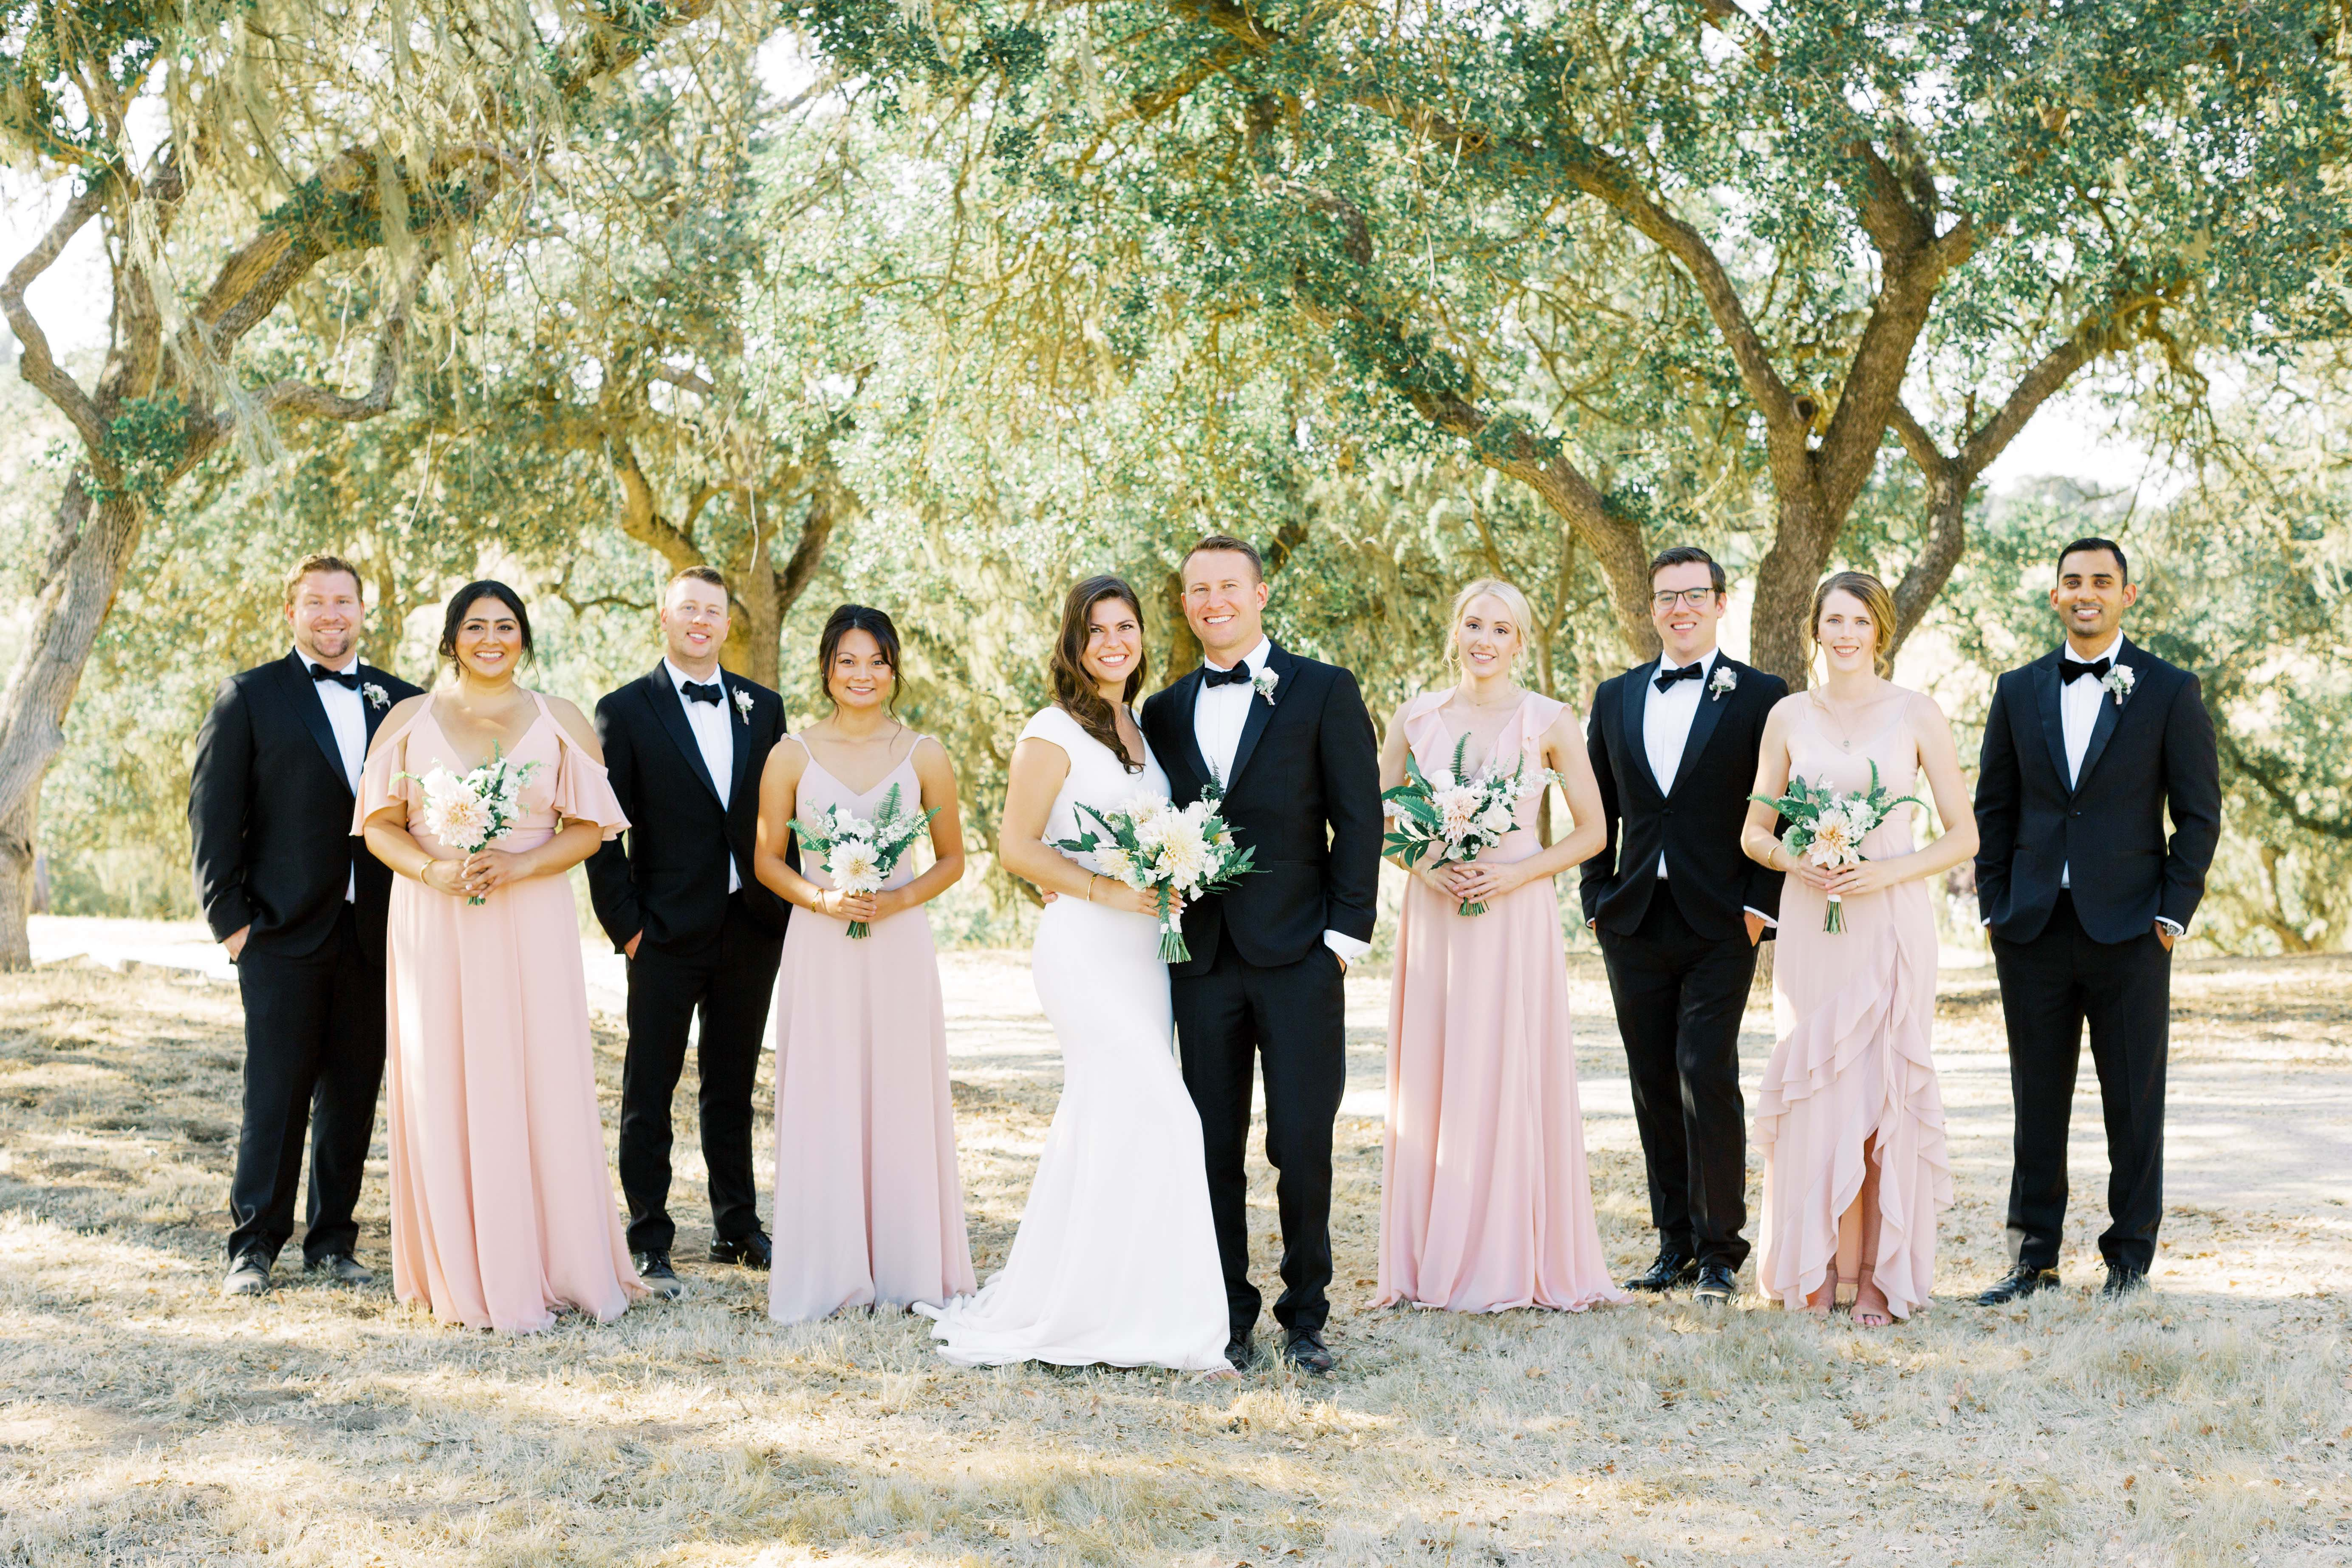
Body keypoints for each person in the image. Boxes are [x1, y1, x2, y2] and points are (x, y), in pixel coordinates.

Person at [919, 577, 1230, 1370]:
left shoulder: (1141, 726)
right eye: (1097, 631)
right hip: (1085, 948)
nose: (1114, 641)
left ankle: (1119, 1303)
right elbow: (1016, 846)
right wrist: (1109, 890)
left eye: (1126, 626)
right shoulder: (1050, 731)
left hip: (1143, 955)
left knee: (1115, 1121)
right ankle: (1107, 1313)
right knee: (1166, 1113)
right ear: (1074, 642)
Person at [355, 582, 643, 1333]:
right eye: (475, 626)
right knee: (445, 1076)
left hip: (531, 915)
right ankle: (458, 1265)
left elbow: (591, 829)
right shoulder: (408, 720)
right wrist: (432, 870)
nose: (492, 638)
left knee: (538, 1073)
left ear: (525, 637)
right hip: (435, 918)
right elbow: (381, 827)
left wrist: (524, 864)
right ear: (451, 638)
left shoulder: (562, 720)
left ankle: (555, 1259)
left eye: (506, 626)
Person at [1139, 535, 1382, 1374]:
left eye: (1227, 586)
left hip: (1300, 957)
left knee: (1300, 1140)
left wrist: (1342, 941)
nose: (1212, 600)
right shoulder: (1162, 711)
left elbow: (1359, 819)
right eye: (1196, 588)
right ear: (1184, 603)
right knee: (1209, 1144)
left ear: (1260, 592)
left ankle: (1305, 1315)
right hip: (1199, 961)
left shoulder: (1322, 689)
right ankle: (1225, 1312)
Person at [1971, 538, 2220, 1304]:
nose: (2087, 593)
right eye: (2073, 582)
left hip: (2133, 932)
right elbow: (1994, 807)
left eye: (2102, 582)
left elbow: (2200, 816)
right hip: (2034, 928)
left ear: (2127, 596)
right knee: (2035, 1098)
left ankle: (2128, 1260)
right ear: (2055, 597)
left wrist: (2171, 916)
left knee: (2133, 1103)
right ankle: (2031, 1257)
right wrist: (1994, 906)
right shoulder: (2017, 691)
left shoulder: (2171, 691)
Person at [1374, 579, 1625, 1315]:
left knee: (1509, 1066)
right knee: (1439, 1070)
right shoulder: (1414, 719)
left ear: (1520, 641)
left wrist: (1515, 874)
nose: (1485, 640)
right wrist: (1426, 865)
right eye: (1475, 625)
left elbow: (1592, 831)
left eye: (1502, 630)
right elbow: (1379, 820)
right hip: (1437, 914)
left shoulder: (1547, 721)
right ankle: (1432, 1257)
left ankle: (1516, 1254)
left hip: (1516, 915)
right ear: (1456, 631)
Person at [1739, 572, 1976, 1326]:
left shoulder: (1917, 713)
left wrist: (1885, 872)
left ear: (1881, 630)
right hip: (1812, 918)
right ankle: (1812, 1268)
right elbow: (1754, 831)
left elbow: (1964, 836)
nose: (1845, 634)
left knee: (1881, 1097)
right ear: (1815, 629)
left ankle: (1874, 1274)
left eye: (1859, 621)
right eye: (1832, 620)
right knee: (1815, 1089)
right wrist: (1791, 861)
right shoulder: (1786, 716)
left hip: (1890, 921)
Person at [189, 555, 422, 1297]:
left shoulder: (405, 703)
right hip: (281, 935)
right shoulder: (250, 696)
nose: (331, 616)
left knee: (354, 1093)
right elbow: (212, 814)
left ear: (363, 611)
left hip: (378, 935)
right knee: (277, 1095)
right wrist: (233, 926)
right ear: (291, 611)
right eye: (316, 603)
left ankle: (333, 1241)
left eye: (344, 602)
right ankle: (253, 1245)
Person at [755, 605, 976, 1323]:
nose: (863, 674)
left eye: (877, 661)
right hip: (820, 944)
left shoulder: (924, 754)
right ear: (826, 667)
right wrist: (821, 898)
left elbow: (952, 860)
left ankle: (909, 1272)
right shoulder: (792, 753)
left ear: (894, 670)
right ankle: (829, 1271)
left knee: (899, 1091)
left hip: (900, 944)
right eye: (849, 660)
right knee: (825, 1091)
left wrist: (899, 895)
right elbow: (765, 858)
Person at [1582, 545, 1787, 1305]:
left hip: (1721, 919)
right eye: (1666, 597)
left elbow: (1782, 799)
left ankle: (1720, 1252)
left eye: (1694, 594)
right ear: (1652, 607)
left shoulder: (1763, 694)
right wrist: (1596, 898)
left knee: (1706, 1069)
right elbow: (1597, 806)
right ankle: (1672, 1243)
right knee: (1651, 1082)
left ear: (1720, 602)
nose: (1680, 608)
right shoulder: (1616, 695)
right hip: (1632, 917)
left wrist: (1762, 904)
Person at [585, 567, 792, 1298]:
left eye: (713, 611)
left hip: (752, 927)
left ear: (728, 624)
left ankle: (738, 1224)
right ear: (664, 620)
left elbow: (784, 812)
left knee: (732, 1085)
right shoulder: (623, 710)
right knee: (652, 1085)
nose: (701, 621)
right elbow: (602, 832)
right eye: (687, 610)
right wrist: (629, 930)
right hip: (664, 934)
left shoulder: (762, 708)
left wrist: (788, 908)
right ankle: (649, 1237)